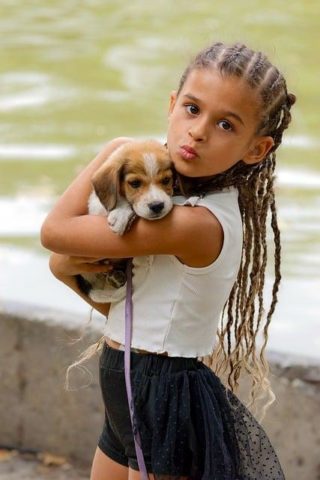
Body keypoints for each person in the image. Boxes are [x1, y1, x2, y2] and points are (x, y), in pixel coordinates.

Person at [41, 41, 295, 480]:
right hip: (129, 379)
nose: (197, 132)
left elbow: (55, 231)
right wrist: (66, 274)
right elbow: (135, 313)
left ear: (257, 149)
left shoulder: (195, 222)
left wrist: (115, 147)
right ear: (172, 105)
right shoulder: (175, 199)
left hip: (162, 388)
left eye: (226, 124)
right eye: (192, 109)